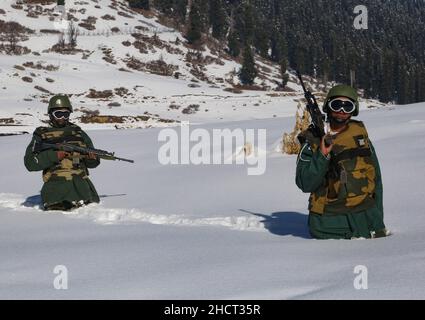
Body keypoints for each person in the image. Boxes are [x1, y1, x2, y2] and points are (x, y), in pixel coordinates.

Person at [295, 85, 389, 239]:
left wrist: (377, 216)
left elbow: (376, 178)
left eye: (348, 106)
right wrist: (322, 155)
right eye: (337, 105)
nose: (341, 111)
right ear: (328, 106)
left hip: (366, 219)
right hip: (329, 225)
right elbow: (305, 183)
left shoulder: (360, 136)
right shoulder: (312, 141)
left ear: (354, 110)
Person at [24, 95, 100, 211]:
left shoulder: (78, 133)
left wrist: (92, 158)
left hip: (83, 191)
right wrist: (54, 155)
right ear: (50, 114)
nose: (62, 118)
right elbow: (30, 163)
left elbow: (93, 164)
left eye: (66, 114)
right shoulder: (41, 134)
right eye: (58, 114)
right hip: (56, 194)